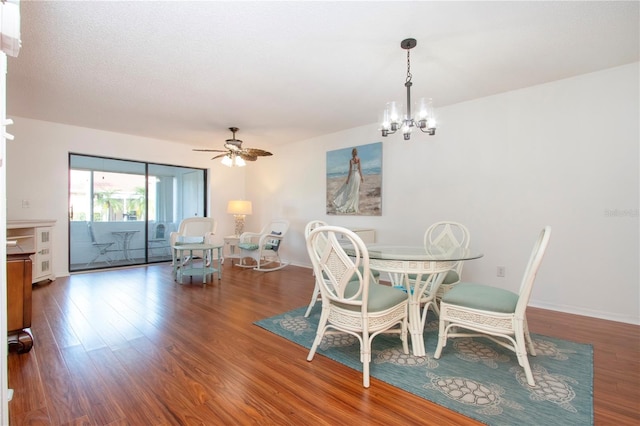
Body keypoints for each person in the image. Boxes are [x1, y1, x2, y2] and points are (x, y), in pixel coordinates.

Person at [332, 147, 364, 213]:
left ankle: (351, 205)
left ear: (352, 153)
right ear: (356, 153)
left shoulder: (351, 160)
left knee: (351, 190)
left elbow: (350, 170)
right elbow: (360, 169)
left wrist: (348, 179)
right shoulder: (358, 159)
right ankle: (354, 206)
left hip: (353, 176)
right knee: (355, 191)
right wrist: (361, 177)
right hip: (357, 176)